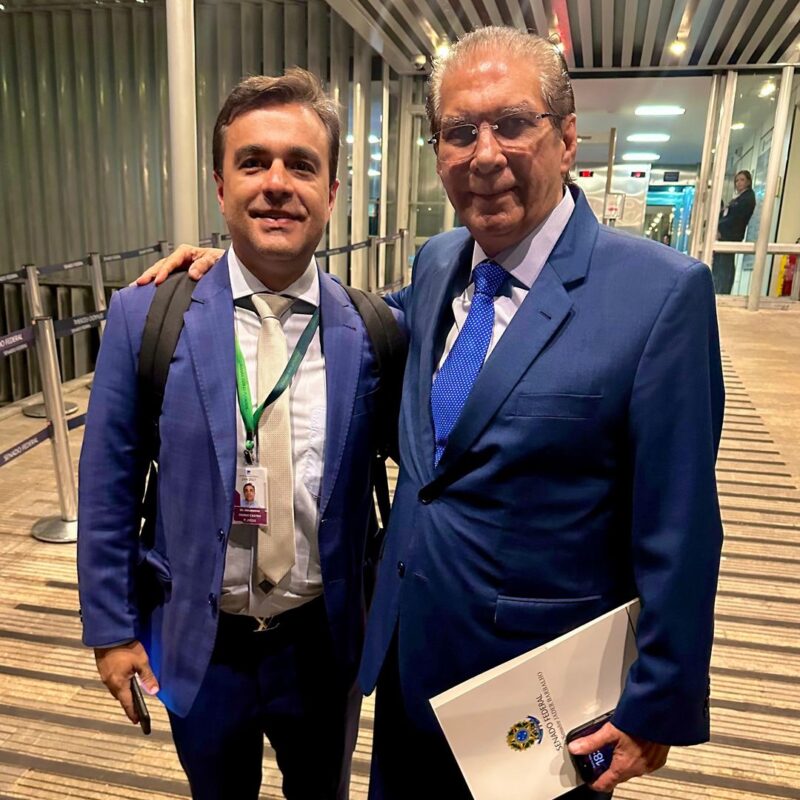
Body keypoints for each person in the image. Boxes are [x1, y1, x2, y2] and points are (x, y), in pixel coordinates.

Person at [142, 27, 724, 800]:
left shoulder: (659, 295)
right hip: (408, 658)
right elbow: (362, 326)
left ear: (567, 134)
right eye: (459, 132)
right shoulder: (440, 261)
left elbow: (681, 525)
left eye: (513, 122)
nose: (485, 154)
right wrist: (244, 276)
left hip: (542, 694)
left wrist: (659, 702)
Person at [77, 68, 388, 800]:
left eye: (301, 165)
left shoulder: (375, 329)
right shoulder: (147, 317)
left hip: (321, 640)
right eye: (253, 162)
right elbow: (109, 485)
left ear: (333, 192)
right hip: (198, 642)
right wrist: (111, 630)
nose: (276, 183)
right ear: (221, 187)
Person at [712, 169, 756, 294]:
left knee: (724, 267)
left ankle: (721, 291)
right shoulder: (739, 198)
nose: (739, 183)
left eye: (742, 180)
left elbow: (736, 218)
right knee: (721, 265)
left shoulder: (747, 199)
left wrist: (721, 229)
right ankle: (719, 290)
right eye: (737, 180)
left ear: (748, 181)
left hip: (730, 235)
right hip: (726, 235)